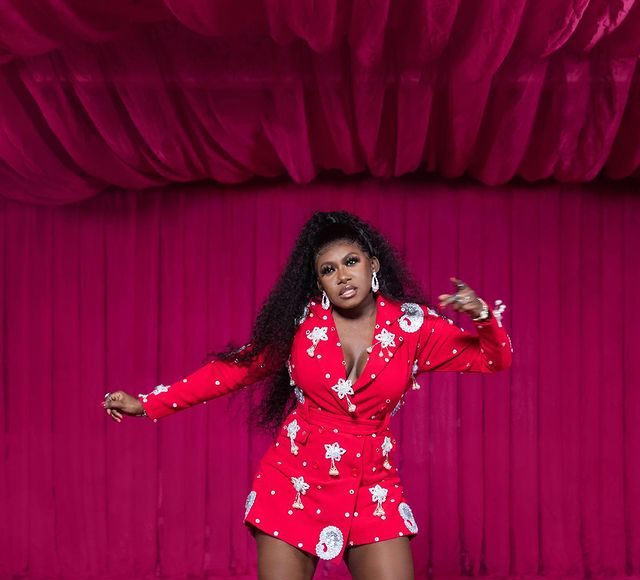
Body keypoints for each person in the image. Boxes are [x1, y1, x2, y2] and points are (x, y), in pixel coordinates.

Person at [102, 211, 513, 580]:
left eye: (351, 262)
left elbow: (494, 359)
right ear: (319, 282)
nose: (343, 276)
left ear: (373, 265)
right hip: (293, 481)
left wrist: (482, 317)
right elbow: (236, 369)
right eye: (329, 270)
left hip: (372, 486)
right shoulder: (299, 325)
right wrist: (149, 403)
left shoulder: (414, 326)